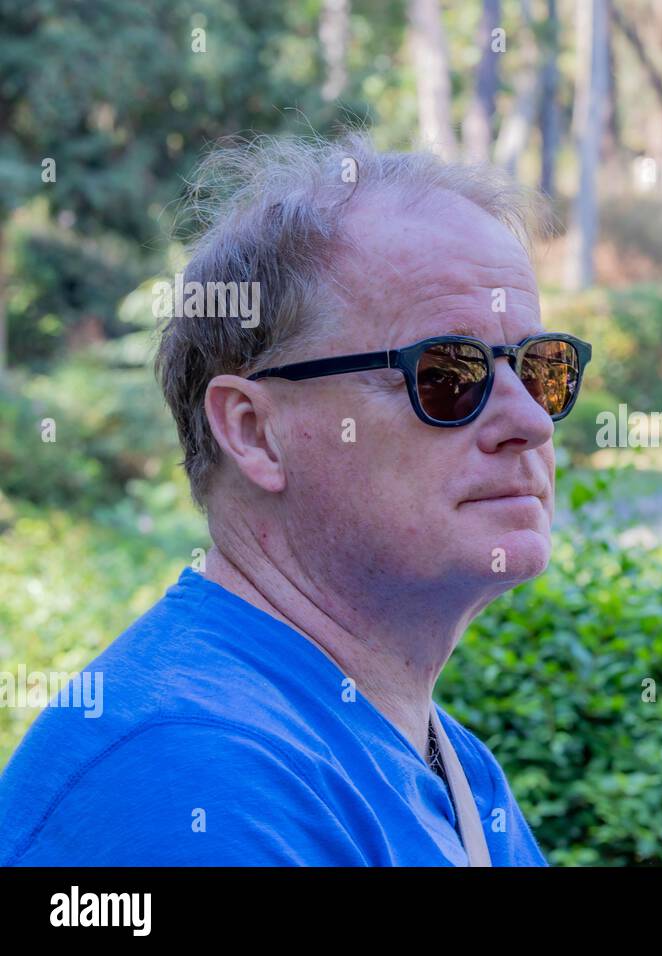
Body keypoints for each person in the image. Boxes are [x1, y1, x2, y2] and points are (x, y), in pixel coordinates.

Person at [0, 131, 592, 866]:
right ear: (254, 433)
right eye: (446, 374)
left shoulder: (453, 769)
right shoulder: (189, 775)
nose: (532, 422)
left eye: (541, 368)